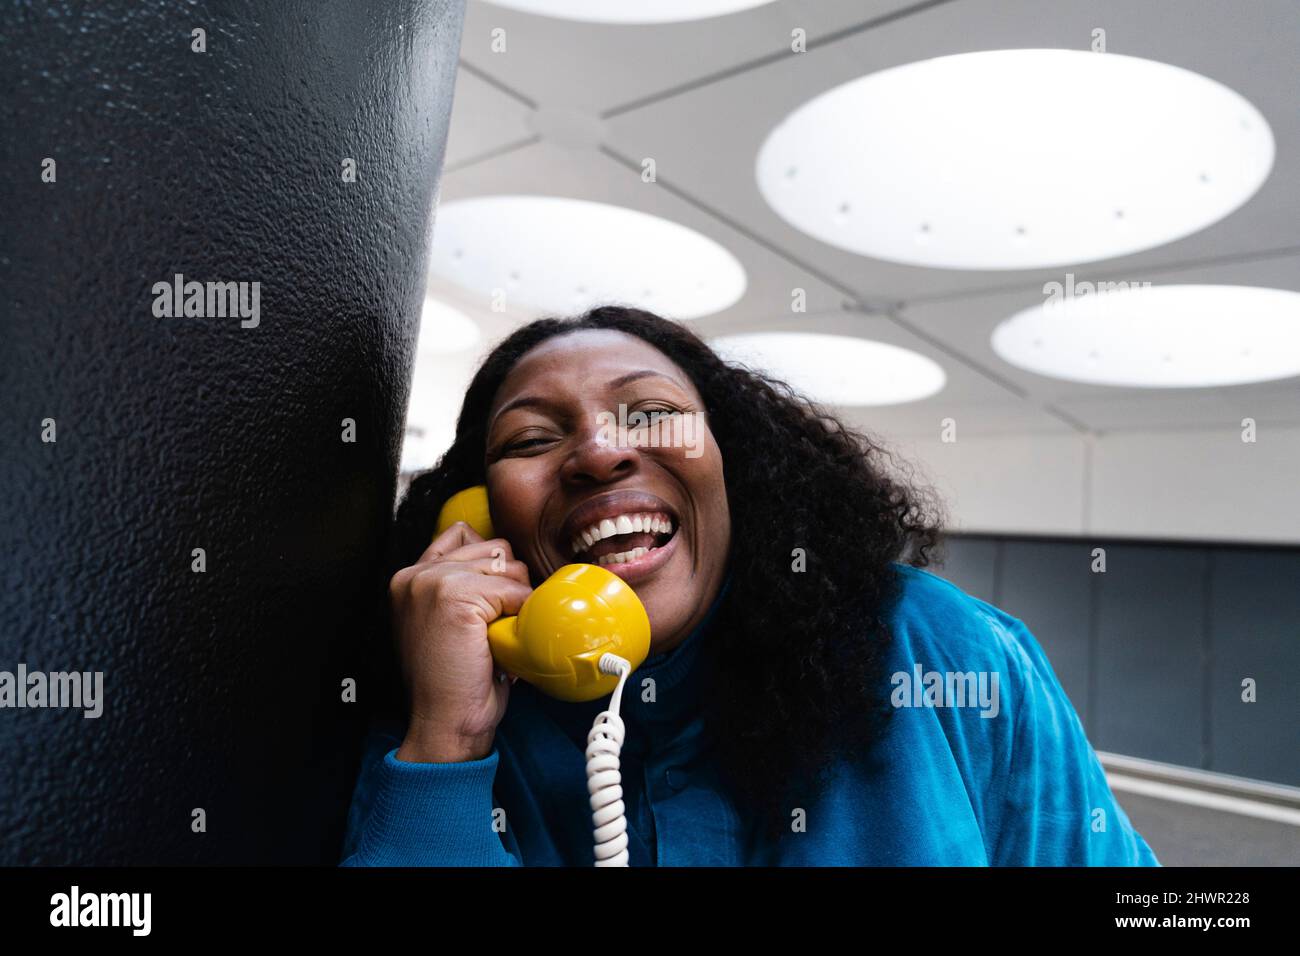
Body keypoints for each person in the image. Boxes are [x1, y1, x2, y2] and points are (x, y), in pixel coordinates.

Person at [339, 305, 1160, 866]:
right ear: (482, 519)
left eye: (651, 413)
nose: (597, 453)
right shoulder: (441, 708)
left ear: (735, 465)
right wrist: (447, 743)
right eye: (530, 438)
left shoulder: (944, 649)